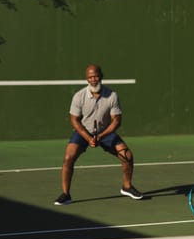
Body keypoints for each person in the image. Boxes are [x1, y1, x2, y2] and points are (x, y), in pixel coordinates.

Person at [54, 64, 143, 205]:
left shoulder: (112, 95)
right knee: (68, 157)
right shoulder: (79, 96)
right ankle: (66, 194)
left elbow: (116, 121)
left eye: (95, 76)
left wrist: (100, 136)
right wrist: (88, 138)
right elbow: (74, 120)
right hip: (83, 132)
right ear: (87, 79)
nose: (93, 79)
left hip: (105, 132)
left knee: (127, 155)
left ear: (101, 76)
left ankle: (127, 187)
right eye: (90, 77)